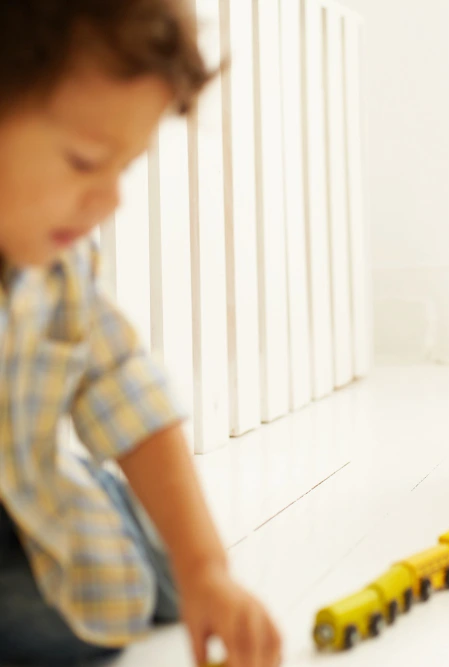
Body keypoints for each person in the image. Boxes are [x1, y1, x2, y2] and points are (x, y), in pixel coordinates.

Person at [0, 2, 281, 665]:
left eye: (121, 169)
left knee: (126, 587)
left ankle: (120, 510)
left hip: (34, 495)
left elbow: (126, 391)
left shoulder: (58, 270)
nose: (111, 200)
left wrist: (204, 566)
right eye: (83, 160)